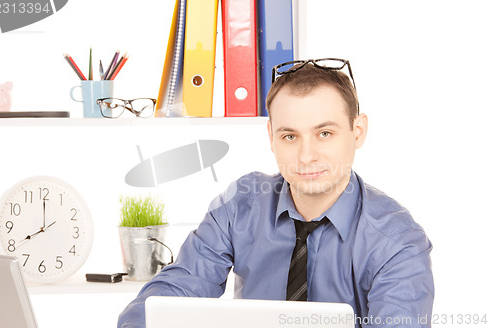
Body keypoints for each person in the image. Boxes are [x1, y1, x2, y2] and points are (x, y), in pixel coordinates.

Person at [118, 59, 434, 328]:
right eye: (290, 135)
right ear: (271, 136)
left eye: (325, 133)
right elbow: (170, 296)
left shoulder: (397, 240)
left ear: (357, 131)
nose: (306, 156)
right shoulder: (239, 206)